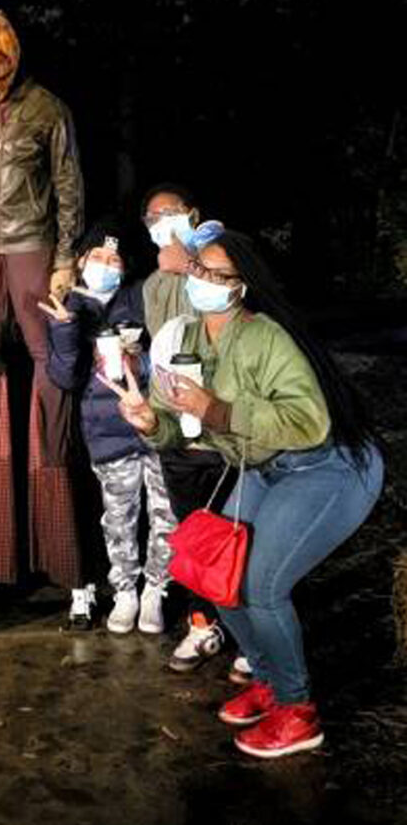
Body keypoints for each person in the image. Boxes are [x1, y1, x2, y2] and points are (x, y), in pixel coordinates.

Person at [104, 230, 383, 758]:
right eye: (198, 271)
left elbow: (308, 422)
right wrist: (149, 422)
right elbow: (178, 425)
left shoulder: (265, 337)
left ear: (241, 287)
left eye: (217, 274)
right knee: (211, 572)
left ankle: (298, 711)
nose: (203, 281)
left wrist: (218, 411)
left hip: (325, 465)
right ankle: (273, 680)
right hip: (260, 465)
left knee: (261, 583)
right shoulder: (187, 340)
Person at [0, 10, 90, 622]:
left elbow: (69, 184)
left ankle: (54, 486)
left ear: (17, 54)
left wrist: (63, 259)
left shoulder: (48, 108)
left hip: (32, 242)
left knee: (47, 362)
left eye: (1, 54)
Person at [42, 218, 176, 633]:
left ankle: (157, 588)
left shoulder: (138, 297)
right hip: (105, 434)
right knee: (118, 518)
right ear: (81, 261)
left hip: (154, 424)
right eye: (96, 256)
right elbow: (65, 379)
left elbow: (169, 345)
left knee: (165, 514)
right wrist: (65, 331)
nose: (104, 264)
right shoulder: (68, 307)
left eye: (113, 258)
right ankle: (125, 591)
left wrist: (142, 354)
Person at [140, 183, 245, 674]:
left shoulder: (227, 256)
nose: (161, 221)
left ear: (194, 213)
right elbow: (164, 349)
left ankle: (251, 636)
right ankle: (202, 623)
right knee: (190, 536)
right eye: (152, 218)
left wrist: (194, 263)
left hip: (226, 430)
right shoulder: (153, 283)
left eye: (171, 212)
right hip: (178, 434)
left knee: (241, 534)